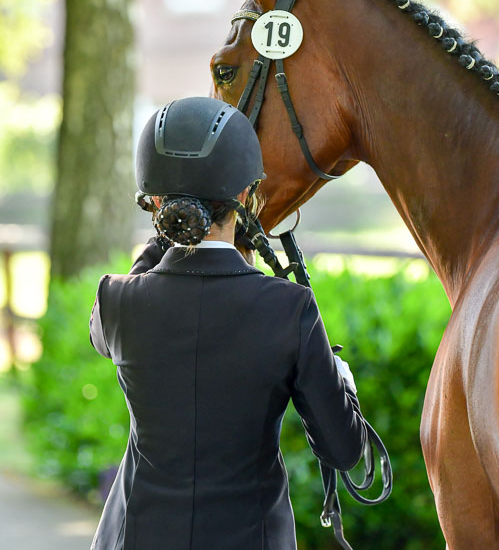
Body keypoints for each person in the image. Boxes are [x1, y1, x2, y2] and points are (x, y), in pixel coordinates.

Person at [89, 96, 366, 550]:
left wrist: (167, 234)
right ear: (243, 197)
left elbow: (122, 309)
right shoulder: (290, 308)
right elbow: (343, 450)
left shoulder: (116, 301)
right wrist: (343, 382)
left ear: (154, 202)